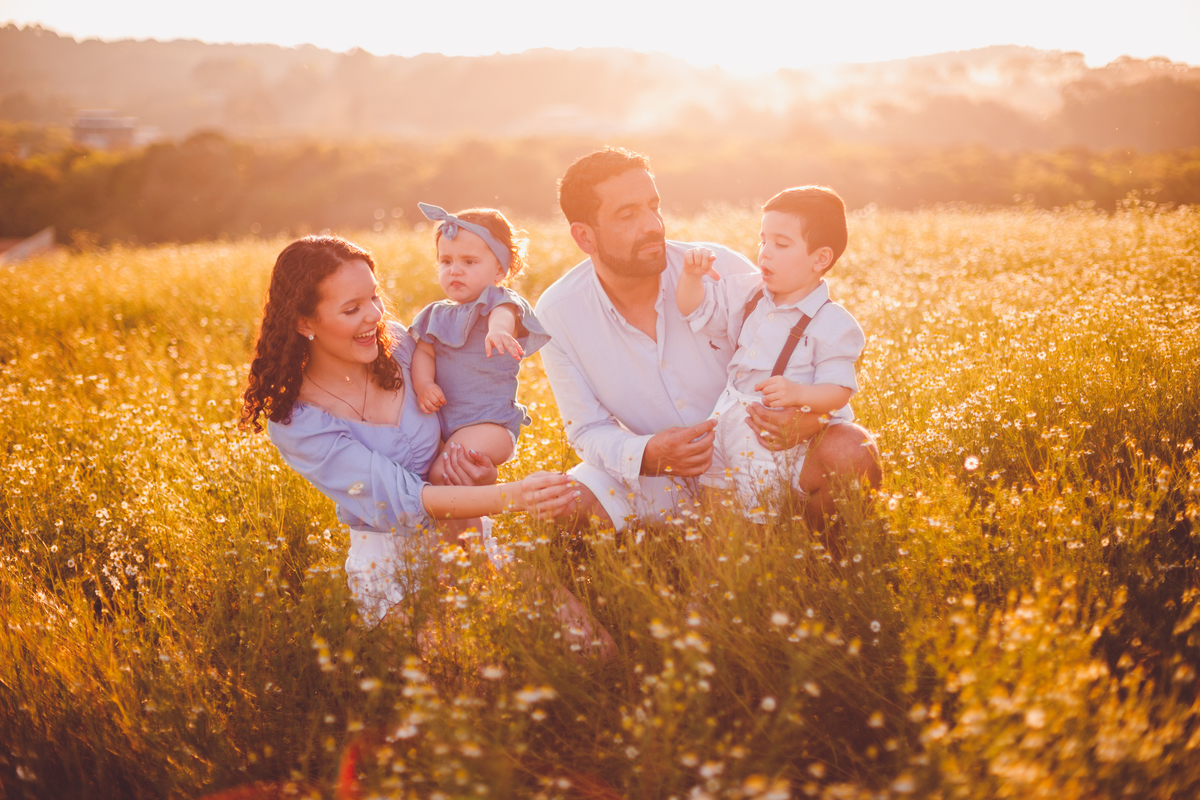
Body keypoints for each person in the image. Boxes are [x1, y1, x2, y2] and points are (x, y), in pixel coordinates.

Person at [239, 236, 608, 649]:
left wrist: (484, 476)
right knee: (472, 680)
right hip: (394, 564)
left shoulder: (400, 346)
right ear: (304, 322)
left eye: (374, 298)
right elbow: (404, 499)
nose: (373, 317)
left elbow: (469, 407)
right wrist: (516, 496)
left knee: (594, 651)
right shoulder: (297, 422)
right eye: (351, 309)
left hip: (469, 533)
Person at [534, 147, 881, 532]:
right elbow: (585, 429)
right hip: (659, 477)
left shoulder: (722, 270)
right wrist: (649, 454)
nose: (652, 225)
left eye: (654, 206)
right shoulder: (557, 313)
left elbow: (811, 353)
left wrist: (812, 420)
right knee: (562, 504)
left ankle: (807, 554)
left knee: (854, 451)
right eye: (628, 215)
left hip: (765, 453)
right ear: (585, 237)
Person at [676, 186, 865, 518]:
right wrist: (691, 277)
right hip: (727, 418)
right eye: (763, 240)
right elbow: (694, 309)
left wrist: (798, 393)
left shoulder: (834, 323)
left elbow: (839, 392)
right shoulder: (747, 292)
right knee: (718, 509)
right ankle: (722, 558)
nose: (765, 253)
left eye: (781, 244)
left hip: (773, 433)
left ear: (820, 258)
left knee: (760, 517)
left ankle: (779, 555)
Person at [408, 203, 550, 487]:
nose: (455, 271)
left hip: (490, 425)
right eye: (446, 262)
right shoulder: (435, 314)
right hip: (446, 426)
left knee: (445, 474)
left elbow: (504, 314)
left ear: (499, 269)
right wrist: (424, 385)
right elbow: (423, 352)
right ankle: (473, 529)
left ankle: (476, 524)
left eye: (469, 262)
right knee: (430, 474)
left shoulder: (499, 301)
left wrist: (497, 331)